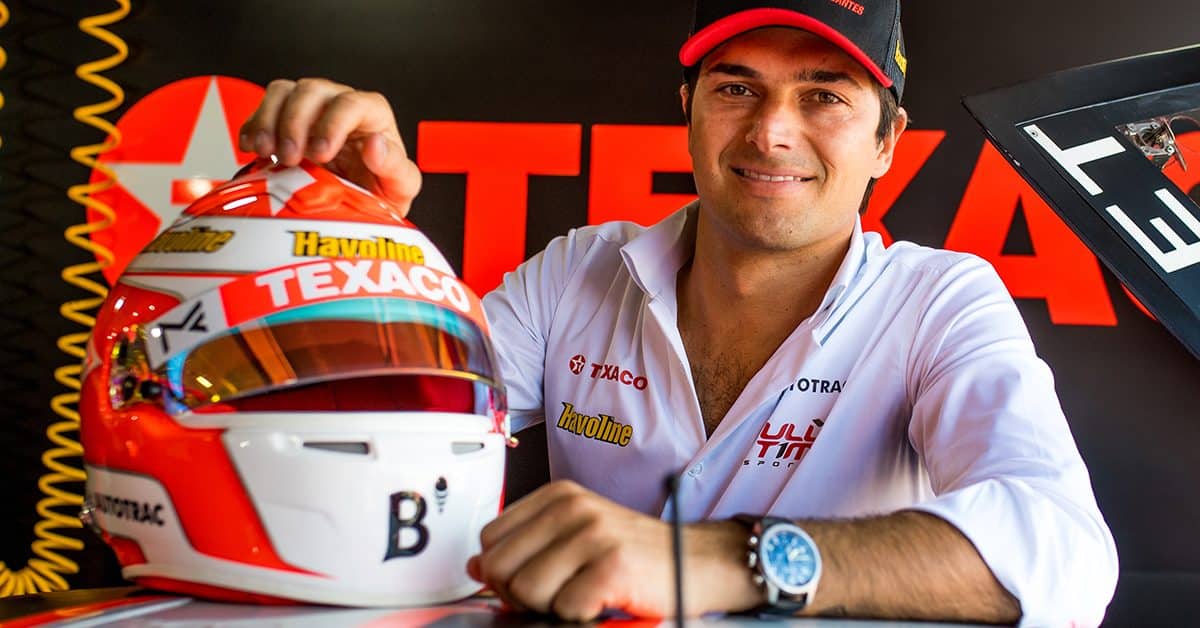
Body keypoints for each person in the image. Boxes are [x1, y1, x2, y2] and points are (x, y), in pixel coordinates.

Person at [238, 0, 1118, 624]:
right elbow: (367, 413)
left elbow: (1065, 552)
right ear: (687, 109)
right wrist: (358, 234)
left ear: (887, 141)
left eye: (824, 95)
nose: (771, 131)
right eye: (736, 88)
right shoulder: (579, 270)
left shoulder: (937, 300)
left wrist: (726, 560)